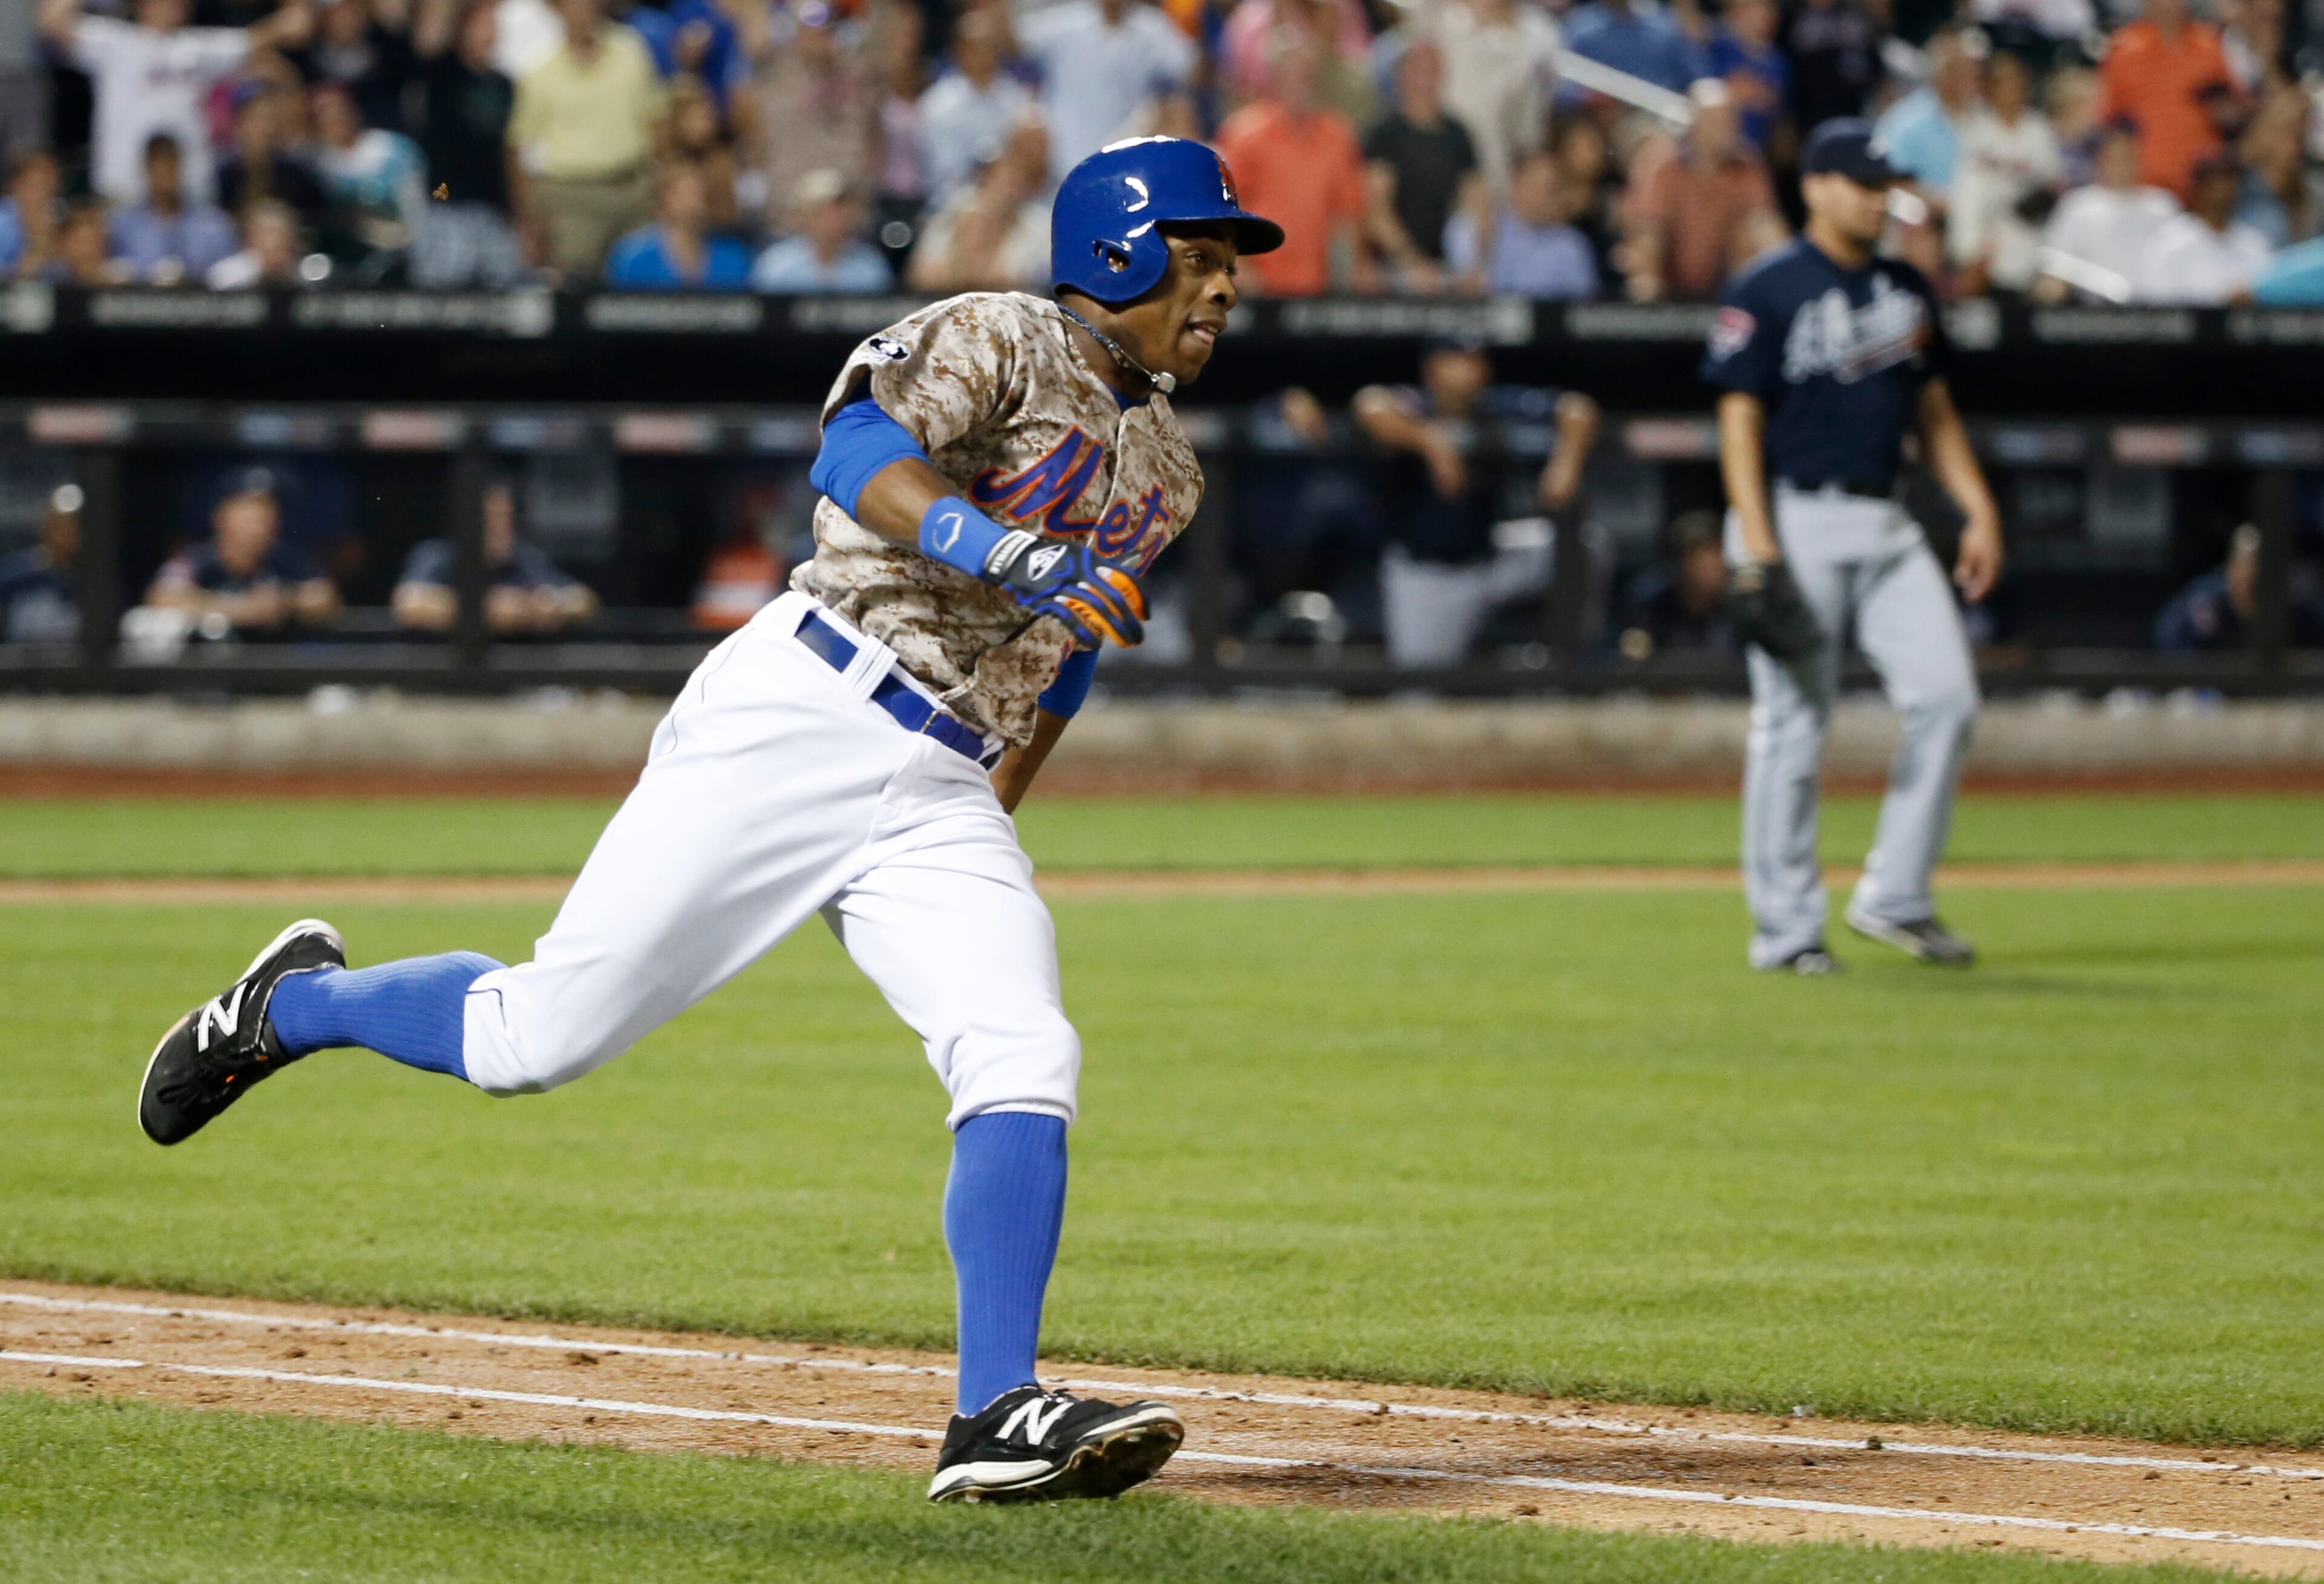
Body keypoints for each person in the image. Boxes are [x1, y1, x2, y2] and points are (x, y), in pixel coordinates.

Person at [135, 134, 1284, 1505]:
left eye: (1228, 266)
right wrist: (1005, 549)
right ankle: (292, 1007)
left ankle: (993, 1413)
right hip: (804, 710)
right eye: (1200, 256)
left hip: (939, 780)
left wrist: (998, 807)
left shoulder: (1167, 462)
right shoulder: (1001, 333)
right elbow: (856, 446)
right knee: (528, 1040)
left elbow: (1070, 649)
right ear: (1119, 248)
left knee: (1021, 1045)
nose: (1222, 287)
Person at [1702, 119, 2004, 974]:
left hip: (1886, 517)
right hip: (1794, 517)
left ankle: (1896, 894)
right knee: (1795, 727)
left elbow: (1934, 411)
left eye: (1885, 185)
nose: (1878, 198)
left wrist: (1977, 508)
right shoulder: (1766, 287)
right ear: (1819, 189)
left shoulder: (1908, 286)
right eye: (1863, 184)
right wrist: (1756, 544)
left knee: (1948, 699)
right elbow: (1737, 420)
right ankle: (1787, 931)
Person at [1353, 339, 1600, 667]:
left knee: (1588, 545)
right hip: (1428, 578)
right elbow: (1369, 406)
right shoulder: (1415, 405)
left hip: (1491, 559)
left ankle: (1569, 660)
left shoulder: (1495, 405)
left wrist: (1566, 461)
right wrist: (1431, 443)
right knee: (1419, 697)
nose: (1471, 372)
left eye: (1476, 362)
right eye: (1458, 362)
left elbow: (1577, 408)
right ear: (1432, 370)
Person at [38, 0, 309, 205]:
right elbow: (52, 21)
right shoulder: (115, 42)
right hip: (124, 191)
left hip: (191, 193)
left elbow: (263, 37)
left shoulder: (198, 48)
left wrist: (296, 14)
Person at [507, 0, 666, 278]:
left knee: (642, 286)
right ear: (558, 10)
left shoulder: (631, 51)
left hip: (631, 188)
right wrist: (529, 216)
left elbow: (657, 120)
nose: (585, 9)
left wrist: (658, 184)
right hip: (571, 198)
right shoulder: (540, 71)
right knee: (577, 288)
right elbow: (519, 145)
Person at [1213, 30, 1373, 295]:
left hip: (1318, 283)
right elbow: (1224, 211)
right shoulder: (1244, 135)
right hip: (1257, 285)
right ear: (1275, 78)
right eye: (1293, 73)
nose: (1302, 82)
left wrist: (1353, 271)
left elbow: (1347, 212)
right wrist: (1242, 270)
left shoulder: (1337, 135)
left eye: (1308, 73)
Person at [1625, 78, 1781, 301]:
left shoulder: (1747, 165)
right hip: (1670, 279)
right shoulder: (1663, 165)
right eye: (1716, 120)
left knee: (1749, 235)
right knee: (1646, 253)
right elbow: (1648, 227)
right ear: (1695, 123)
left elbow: (1765, 224)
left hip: (1728, 278)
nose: (1726, 128)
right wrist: (1647, 277)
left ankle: (1742, 302)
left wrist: (1781, 271)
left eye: (1730, 119)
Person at [407, 0, 527, 286]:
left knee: (503, 290)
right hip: (446, 199)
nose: (489, 32)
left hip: (492, 208)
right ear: (462, 30)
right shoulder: (442, 73)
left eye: (493, 25)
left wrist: (517, 211)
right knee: (442, 290)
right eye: (481, 24)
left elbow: (508, 149)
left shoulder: (504, 84)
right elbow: (429, 38)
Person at [1016, 0, 1196, 182]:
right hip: (1061, 166)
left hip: (1125, 165)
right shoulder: (1064, 23)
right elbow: (1012, 42)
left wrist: (1202, 19)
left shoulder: (1153, 28)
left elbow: (1192, 71)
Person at [141, 470, 340, 634]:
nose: (260, 525)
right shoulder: (198, 559)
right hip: (209, 669)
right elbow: (162, 596)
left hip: (269, 667)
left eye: (267, 514)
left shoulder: (283, 559)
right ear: (222, 517)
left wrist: (285, 601)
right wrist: (238, 608)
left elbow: (325, 597)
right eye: (249, 513)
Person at [391, 478, 597, 635]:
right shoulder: (439, 555)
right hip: (441, 677)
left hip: (516, 676)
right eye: (490, 517)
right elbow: (410, 603)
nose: (498, 527)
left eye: (504, 517)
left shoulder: (525, 560)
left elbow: (584, 601)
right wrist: (485, 608)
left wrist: (544, 605)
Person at [1361, 39, 1483, 294]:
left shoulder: (1458, 134)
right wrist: (1413, 263)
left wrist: (1475, 260)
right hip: (1394, 267)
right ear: (1401, 76)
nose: (1427, 80)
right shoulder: (1384, 133)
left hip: (1447, 266)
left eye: (1434, 71)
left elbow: (1475, 202)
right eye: (1419, 70)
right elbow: (1375, 208)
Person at [1948, 48, 2062, 294]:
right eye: (2002, 82)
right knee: (1972, 191)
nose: (2010, 88)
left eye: (2015, 80)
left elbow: (2054, 188)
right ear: (1990, 87)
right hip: (1985, 229)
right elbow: (1966, 192)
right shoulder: (1975, 128)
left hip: (2027, 225)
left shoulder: (2039, 130)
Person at [1418, 0, 1560, 197]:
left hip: (1495, 164)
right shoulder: (1449, 19)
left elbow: (1530, 128)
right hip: (1439, 153)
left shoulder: (1538, 32)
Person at [2098, 0, 2235, 201]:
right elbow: (2111, 123)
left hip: (2202, 184)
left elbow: (2230, 109)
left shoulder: (2210, 45)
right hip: (2145, 186)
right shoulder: (2124, 50)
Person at [906, 118, 1053, 292]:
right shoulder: (956, 208)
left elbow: (1012, 280)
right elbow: (922, 276)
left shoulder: (1039, 224)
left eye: (1010, 176)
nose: (1003, 185)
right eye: (992, 174)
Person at [2040, 119, 2179, 296]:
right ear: (2100, 160)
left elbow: (2181, 261)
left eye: (2127, 156)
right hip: (2096, 312)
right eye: (2113, 156)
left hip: (2157, 311)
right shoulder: (2078, 205)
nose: (2120, 164)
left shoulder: (2162, 205)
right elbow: (2056, 265)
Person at [1444, 146, 1600, 297]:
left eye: (1548, 188)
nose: (1539, 195)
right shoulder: (1483, 224)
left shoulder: (1571, 245)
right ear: (1515, 183)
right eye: (1533, 183)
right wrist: (1483, 238)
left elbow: (1583, 308)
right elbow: (1464, 285)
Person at [916, 7, 1032, 206]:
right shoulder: (938, 105)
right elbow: (945, 173)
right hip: (953, 206)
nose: (985, 54)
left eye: (990, 46)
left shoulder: (1015, 97)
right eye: (976, 47)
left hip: (1010, 204)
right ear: (959, 51)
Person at [309, 78, 428, 258]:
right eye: (326, 118)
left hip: (406, 237)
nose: (335, 123)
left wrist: (412, 231)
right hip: (351, 246)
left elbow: (423, 196)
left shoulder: (392, 148)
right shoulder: (319, 164)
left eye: (340, 115)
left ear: (354, 113)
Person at [2137, 152, 2271, 303]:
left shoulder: (2254, 242)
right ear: (2198, 188)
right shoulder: (2168, 242)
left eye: (2231, 182)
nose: (2226, 191)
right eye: (2216, 183)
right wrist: (2222, 301)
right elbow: (2158, 304)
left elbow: (2266, 299)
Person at [110, 133, 239, 283]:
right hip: (139, 304)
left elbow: (231, 278)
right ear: (146, 168)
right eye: (157, 163)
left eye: (171, 161)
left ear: (181, 165)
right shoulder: (122, 227)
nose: (165, 170)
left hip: (202, 304)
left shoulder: (213, 225)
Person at [605, 160, 754, 288]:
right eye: (688, 195)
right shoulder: (632, 257)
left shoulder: (733, 259)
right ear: (663, 200)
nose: (697, 204)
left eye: (702, 195)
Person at [1871, 28, 1982, 201]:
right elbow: (1887, 179)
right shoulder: (1904, 120)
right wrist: (1938, 204)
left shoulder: (1986, 117)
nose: (1967, 76)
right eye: (1956, 68)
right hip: (1923, 220)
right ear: (1937, 71)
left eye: (1971, 68)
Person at [751, 167, 894, 291]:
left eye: (842, 209)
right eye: (825, 211)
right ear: (805, 215)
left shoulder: (871, 266)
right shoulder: (776, 265)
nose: (837, 218)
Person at [1615, 508, 1730, 657]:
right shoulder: (1651, 608)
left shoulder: (1739, 606)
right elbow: (1631, 663)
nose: (1717, 565)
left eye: (1719, 553)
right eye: (1703, 556)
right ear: (1682, 562)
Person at [1779, 0, 1882, 136]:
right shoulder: (1791, 12)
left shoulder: (1857, 13)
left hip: (1855, 116)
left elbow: (1876, 67)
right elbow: (1778, 66)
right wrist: (1784, 122)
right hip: (1805, 120)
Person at [1560, 0, 1696, 98]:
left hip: (1661, 122)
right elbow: (1565, 89)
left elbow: (1696, 79)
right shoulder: (1580, 31)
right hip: (1599, 123)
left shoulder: (1665, 30)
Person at [0, 483, 80, 644]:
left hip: (76, 668)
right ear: (46, 525)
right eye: (61, 524)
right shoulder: (13, 577)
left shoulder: (96, 582)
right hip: (17, 667)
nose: (70, 532)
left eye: (77, 524)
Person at [1706, 0, 1788, 152]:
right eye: (1753, 9)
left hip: (1755, 150)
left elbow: (1777, 116)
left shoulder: (1778, 61)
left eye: (1768, 11)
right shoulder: (1718, 45)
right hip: (1717, 146)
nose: (1763, 17)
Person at [207, 197, 310, 285]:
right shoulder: (224, 276)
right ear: (250, 240)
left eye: (280, 249)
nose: (274, 258)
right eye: (268, 251)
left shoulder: (307, 275)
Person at [0, 145, 62, 280]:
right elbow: (15, 279)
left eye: (49, 187)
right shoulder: (2, 222)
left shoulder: (59, 216)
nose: (42, 195)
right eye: (35, 187)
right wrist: (40, 240)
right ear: (15, 185)